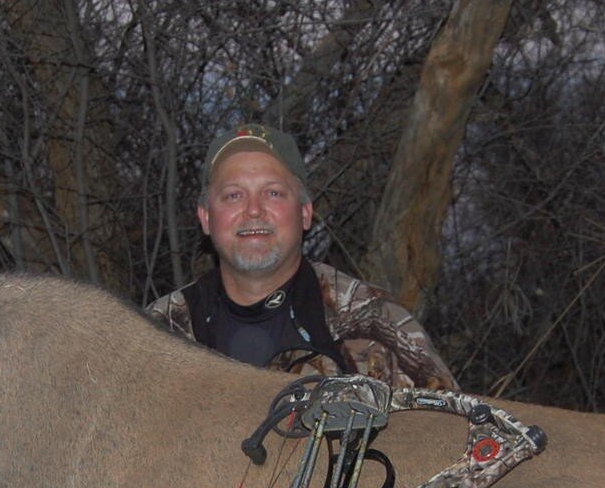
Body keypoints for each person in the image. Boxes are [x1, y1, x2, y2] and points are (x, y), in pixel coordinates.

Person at [147, 124, 457, 391]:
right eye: (233, 195)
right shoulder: (155, 334)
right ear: (205, 217)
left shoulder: (373, 323)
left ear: (305, 213)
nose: (253, 210)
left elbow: (453, 439)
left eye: (273, 193)